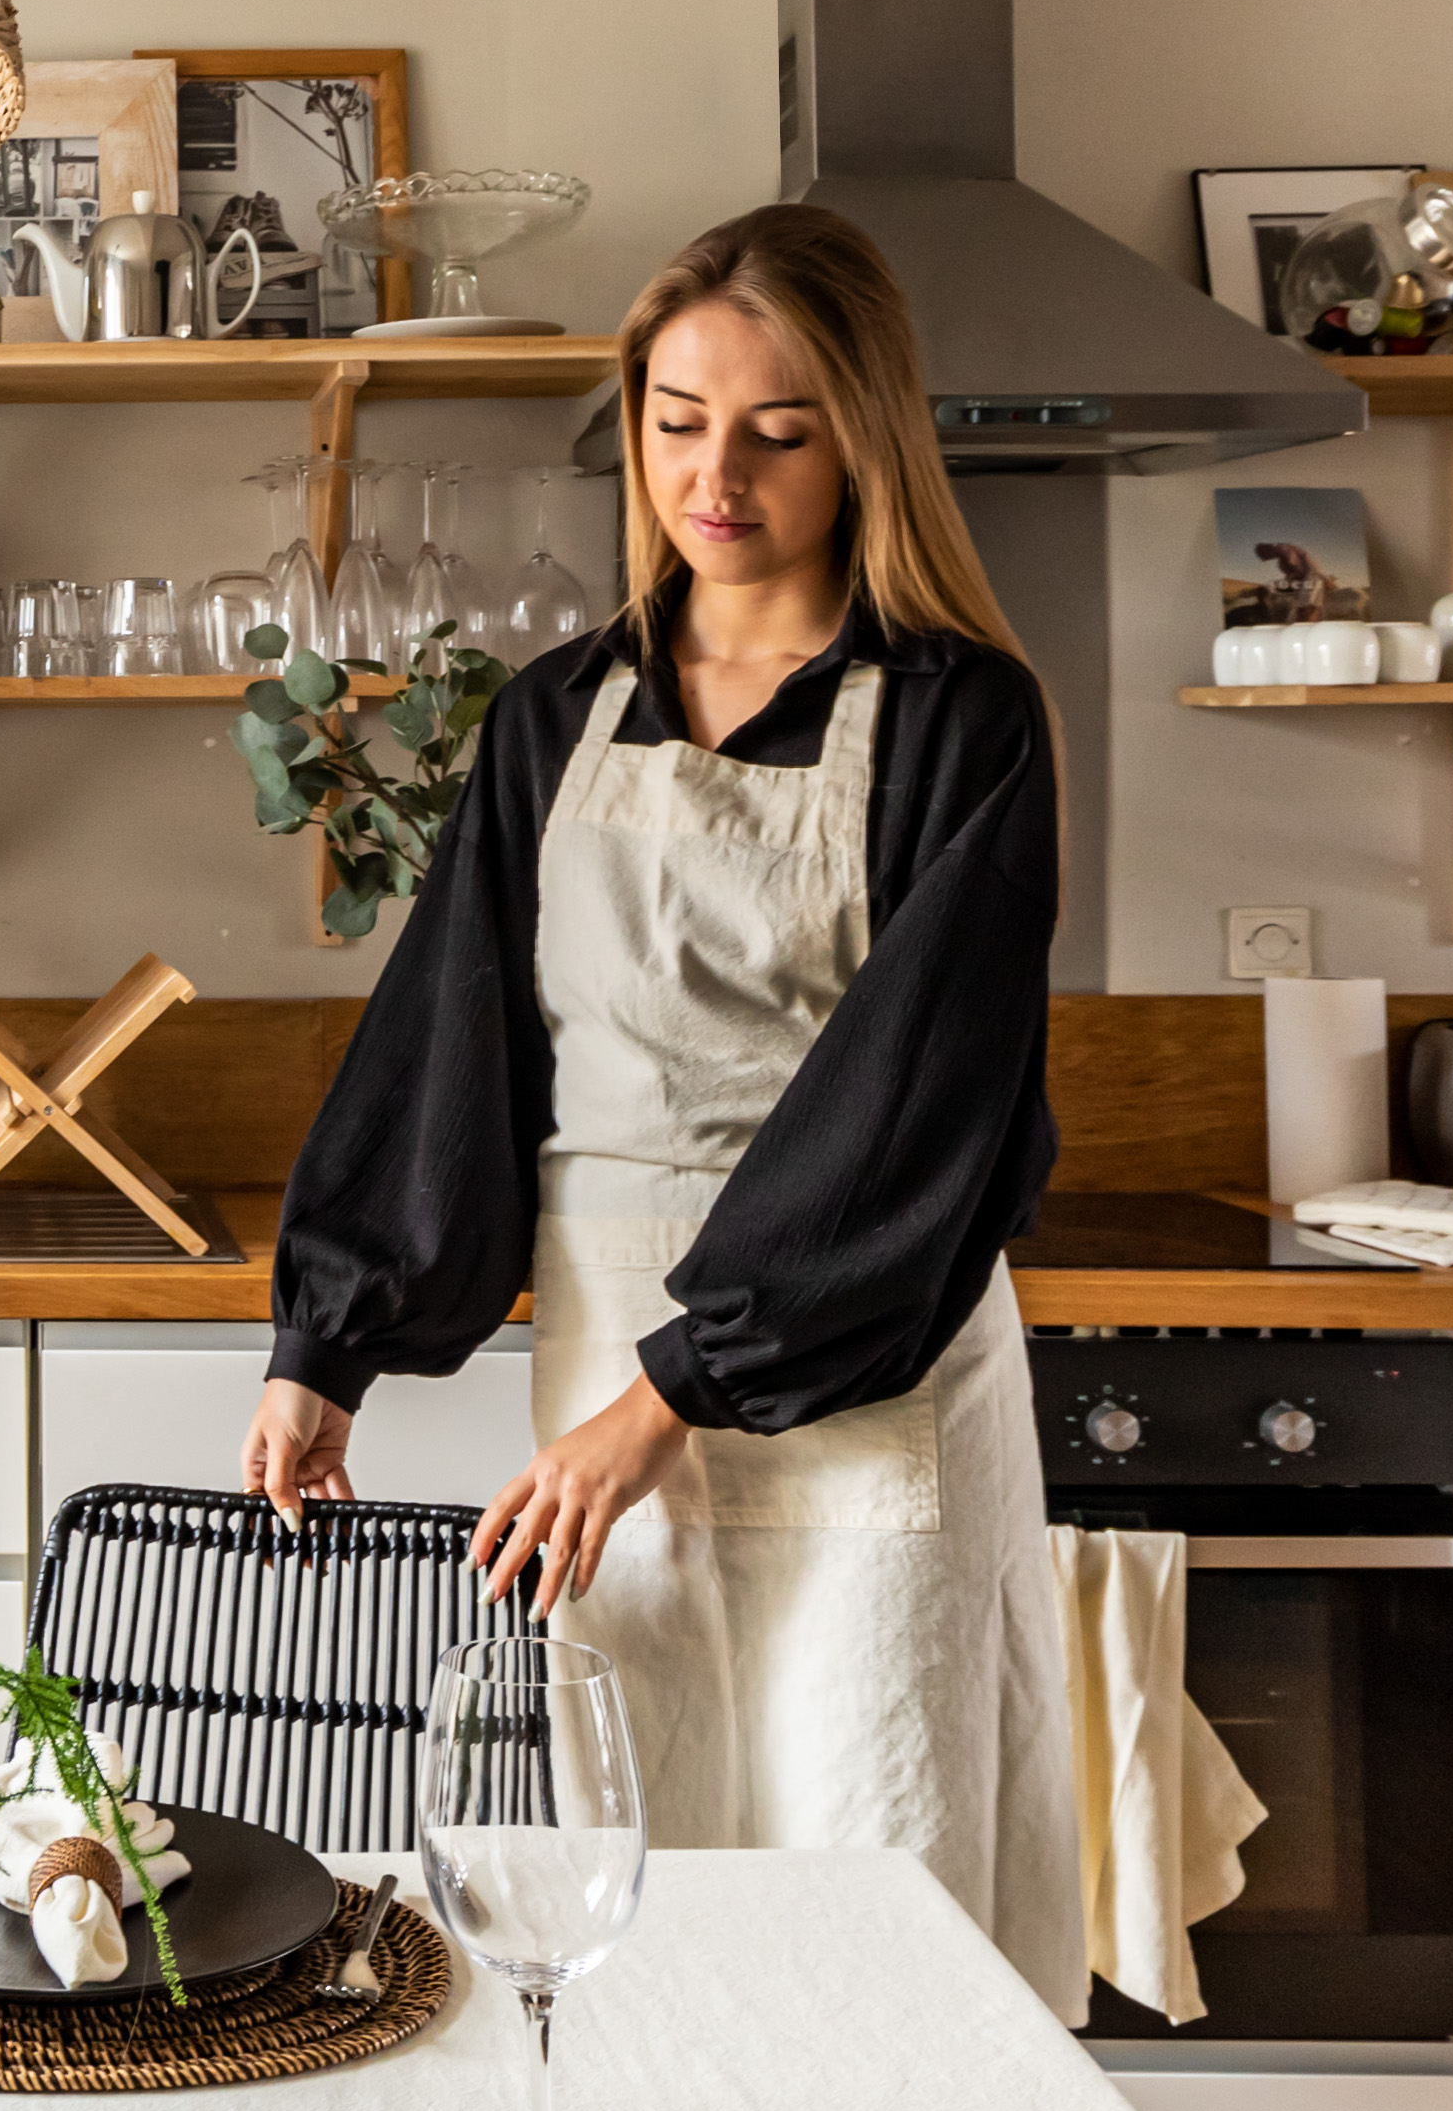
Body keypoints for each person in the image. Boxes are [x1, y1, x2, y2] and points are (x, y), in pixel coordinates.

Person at [240, 201, 1083, 2002]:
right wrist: (331, 1345)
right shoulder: (560, 716)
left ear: (863, 439)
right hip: (614, 1366)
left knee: (878, 1864)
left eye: (778, 429)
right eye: (679, 417)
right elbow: (456, 1040)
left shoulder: (961, 721)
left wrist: (673, 1397)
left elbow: (916, 1105)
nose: (719, 472)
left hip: (871, 1360)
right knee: (652, 1854)